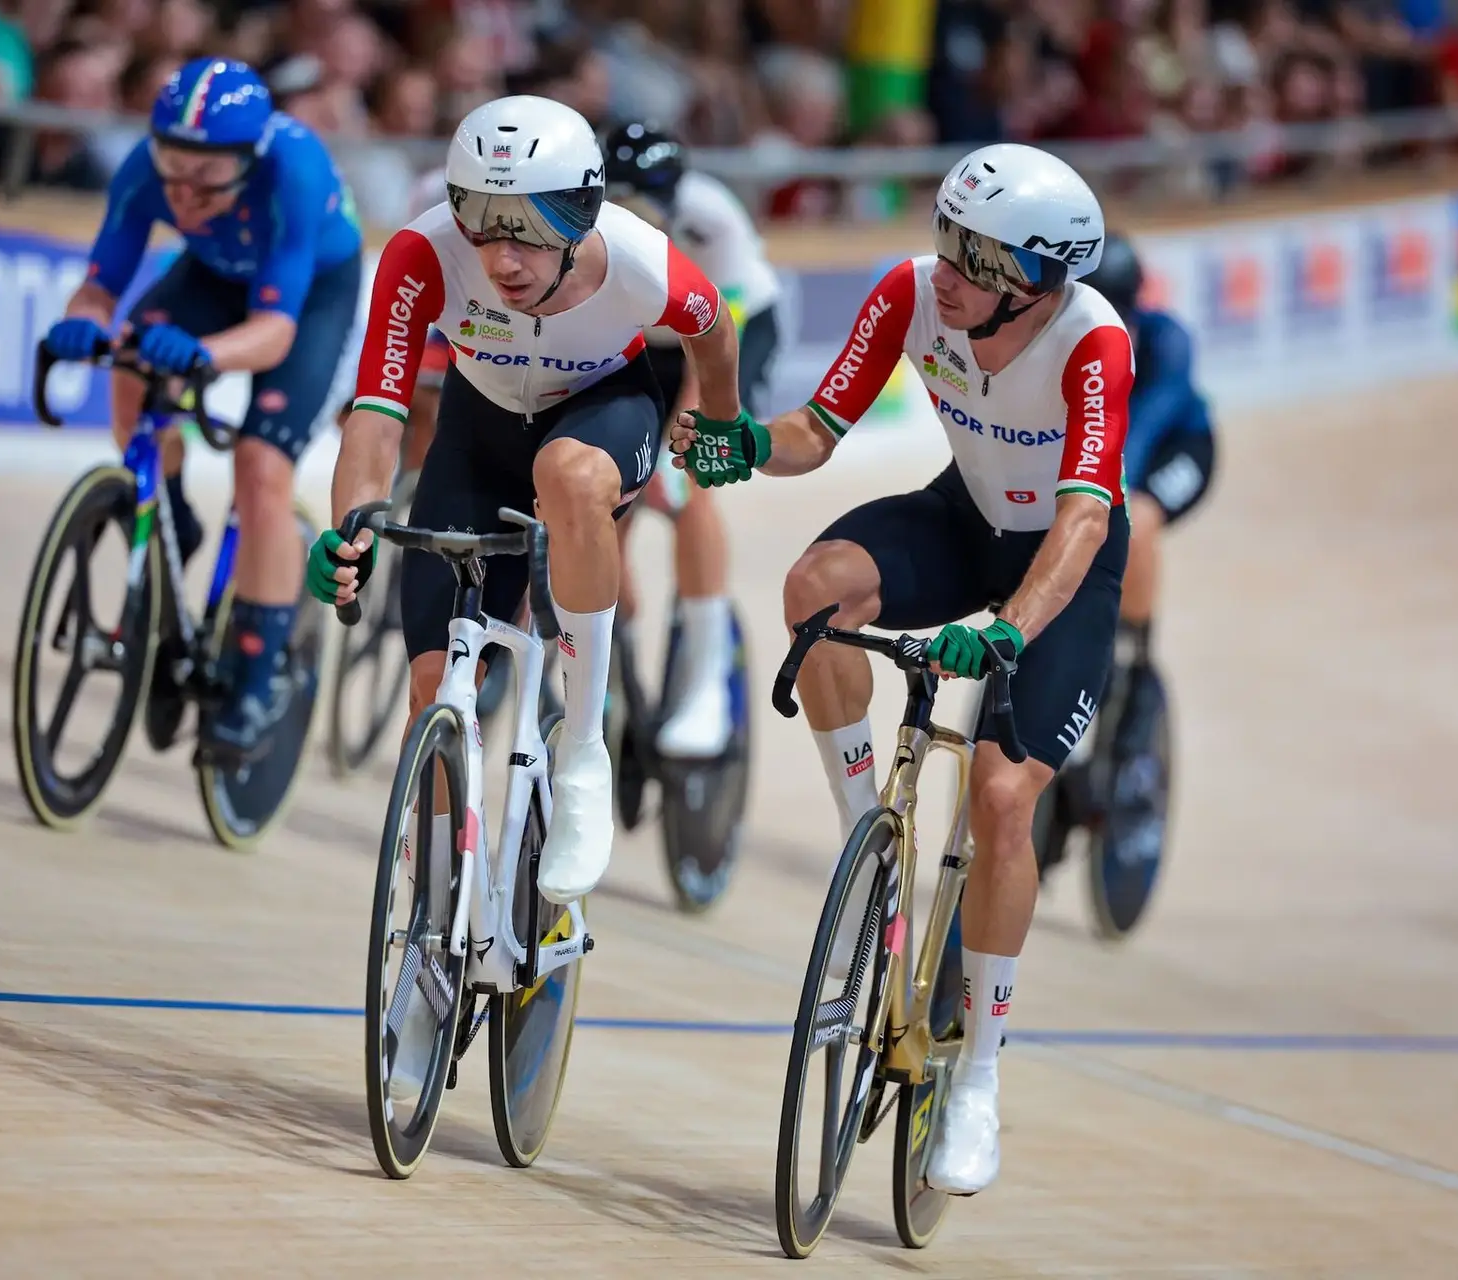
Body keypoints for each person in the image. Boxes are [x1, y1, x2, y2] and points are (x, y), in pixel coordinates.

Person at [668, 144, 1130, 1196]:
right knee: (815, 584)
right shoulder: (910, 293)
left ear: (1038, 281)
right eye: (947, 238)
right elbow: (816, 431)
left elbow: (1086, 514)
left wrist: (1008, 630)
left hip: (1063, 567)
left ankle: (976, 1082)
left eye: (978, 254)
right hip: (964, 522)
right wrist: (743, 444)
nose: (948, 266)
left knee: (1005, 796)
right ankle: (867, 844)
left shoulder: (1091, 341)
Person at [310, 96, 745, 906]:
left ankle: (583, 751)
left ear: (581, 213)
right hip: (480, 438)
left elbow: (717, 332)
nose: (502, 259)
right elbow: (378, 410)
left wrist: (716, 423)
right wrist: (351, 525)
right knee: (434, 681)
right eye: (480, 222)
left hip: (604, 409)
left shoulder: (639, 258)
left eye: (529, 229)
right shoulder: (422, 254)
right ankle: (436, 918)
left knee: (570, 477)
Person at [45, 56, 364, 762]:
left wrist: (202, 356)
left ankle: (255, 677)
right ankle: (173, 512)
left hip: (309, 300)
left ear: (249, 161)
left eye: (208, 176)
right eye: (173, 167)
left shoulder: (295, 169)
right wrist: (85, 321)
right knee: (130, 357)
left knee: (260, 464)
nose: (184, 192)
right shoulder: (143, 168)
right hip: (216, 278)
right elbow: (100, 285)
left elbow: (276, 333)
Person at [598, 119, 785, 759]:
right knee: (605, 496)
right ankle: (615, 648)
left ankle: (705, 676)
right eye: (619, 206)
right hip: (641, 345)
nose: (633, 218)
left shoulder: (713, 219)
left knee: (689, 479)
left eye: (645, 207)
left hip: (727, 336)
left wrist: (678, 455)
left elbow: (715, 355)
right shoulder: (580, 218)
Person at [1074, 232, 1214, 838]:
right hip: (1112, 453)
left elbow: (1142, 433)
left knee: (1140, 517)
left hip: (1176, 450)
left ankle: (1132, 653)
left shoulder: (1168, 343)